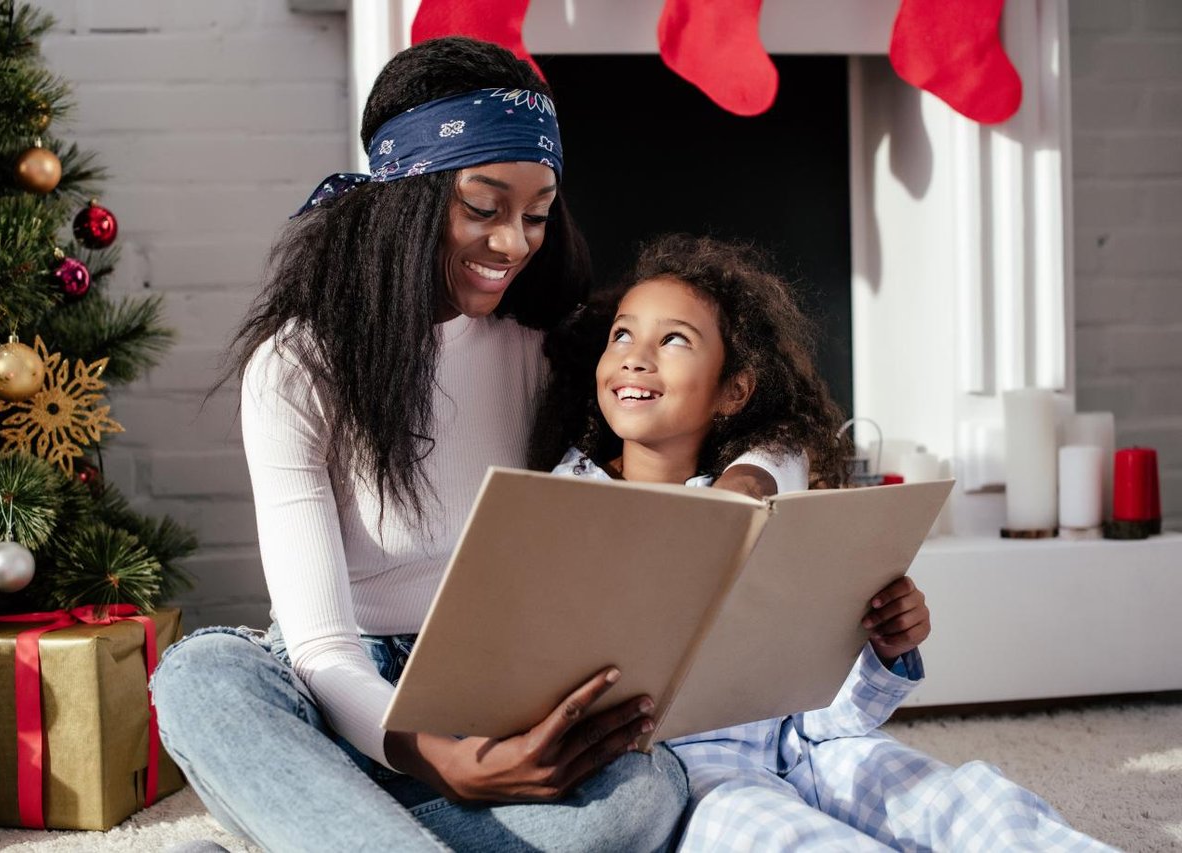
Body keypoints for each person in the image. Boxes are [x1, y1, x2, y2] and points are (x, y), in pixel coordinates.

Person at [149, 37, 687, 853]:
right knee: (199, 679)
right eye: (484, 207)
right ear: (407, 195)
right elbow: (322, 648)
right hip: (338, 708)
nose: (514, 243)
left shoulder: (551, 351)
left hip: (491, 695)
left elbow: (749, 405)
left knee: (643, 793)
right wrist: (434, 758)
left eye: (538, 214)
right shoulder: (298, 364)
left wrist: (755, 476)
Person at [542, 233, 1112, 851]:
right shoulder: (569, 498)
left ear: (734, 390)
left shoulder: (770, 502)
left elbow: (836, 717)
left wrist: (884, 648)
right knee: (786, 836)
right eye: (622, 334)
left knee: (971, 801)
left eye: (674, 339)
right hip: (690, 771)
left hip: (815, 747)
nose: (636, 356)